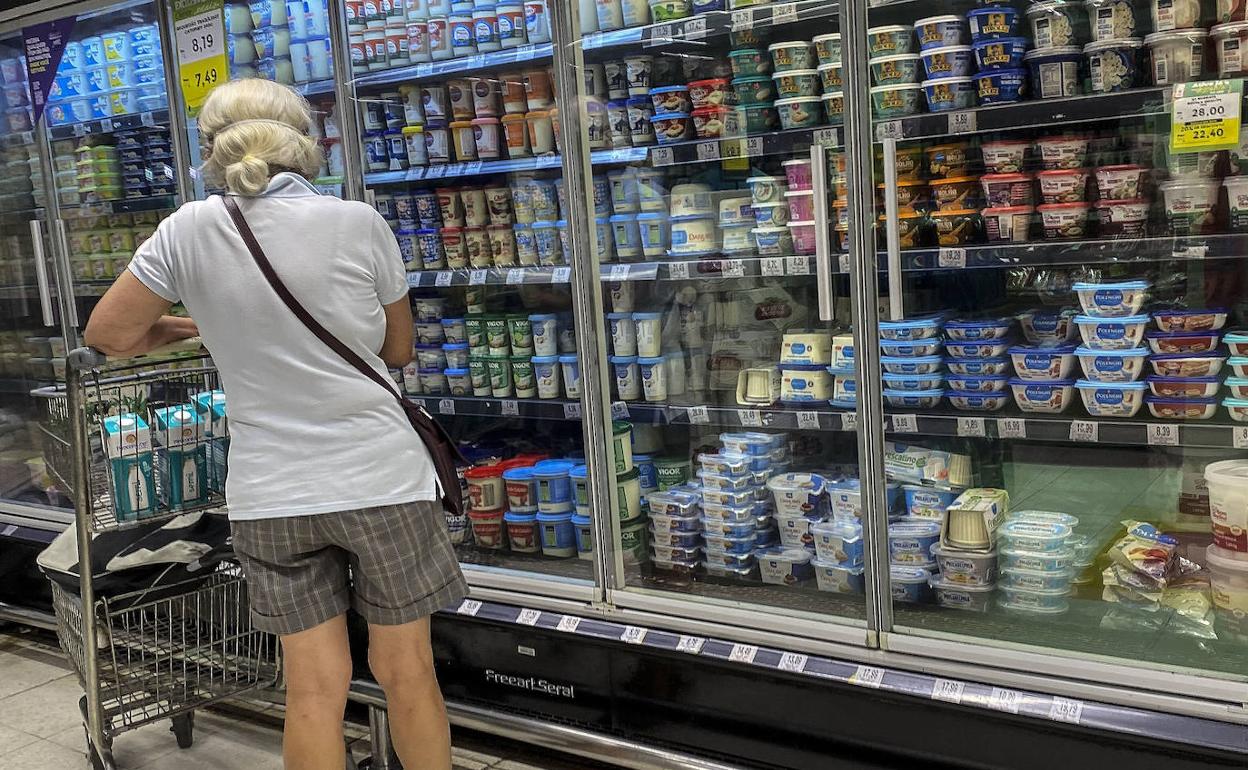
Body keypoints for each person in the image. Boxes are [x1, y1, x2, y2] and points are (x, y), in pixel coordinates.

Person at [84, 78, 468, 770]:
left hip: (271, 492)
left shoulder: (186, 229)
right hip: (380, 476)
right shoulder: (357, 222)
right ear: (305, 142)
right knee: (406, 671)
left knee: (312, 690)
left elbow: (110, 335)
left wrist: (203, 328)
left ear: (211, 149)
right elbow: (399, 351)